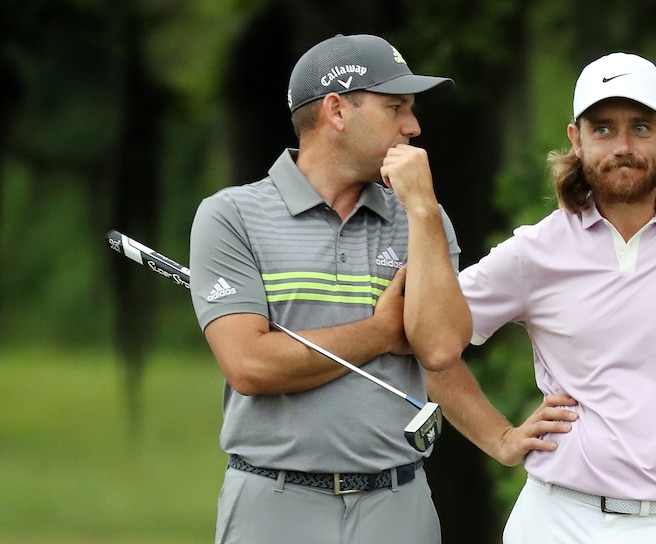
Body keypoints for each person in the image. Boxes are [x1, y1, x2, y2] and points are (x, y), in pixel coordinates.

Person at [427, 52, 656, 543]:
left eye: (640, 127)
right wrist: (500, 438)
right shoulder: (537, 250)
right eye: (603, 129)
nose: (622, 145)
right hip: (553, 518)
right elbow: (430, 344)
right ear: (576, 140)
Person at [188, 33, 471, 544]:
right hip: (273, 501)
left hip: (397, 500)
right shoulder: (231, 216)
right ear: (337, 111)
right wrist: (383, 331)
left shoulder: (422, 216)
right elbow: (251, 365)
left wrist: (425, 211)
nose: (414, 127)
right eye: (396, 107)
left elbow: (442, 346)